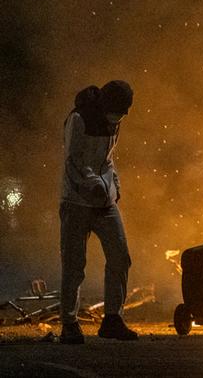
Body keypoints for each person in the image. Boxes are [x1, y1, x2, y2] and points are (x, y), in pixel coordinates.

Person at [59, 80, 138, 344]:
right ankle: (69, 324)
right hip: (76, 202)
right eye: (119, 110)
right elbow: (74, 161)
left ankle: (113, 319)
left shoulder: (113, 121)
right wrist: (91, 186)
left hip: (105, 202)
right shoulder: (79, 119)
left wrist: (114, 184)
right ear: (106, 103)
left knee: (120, 257)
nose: (121, 116)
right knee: (74, 265)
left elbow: (108, 158)